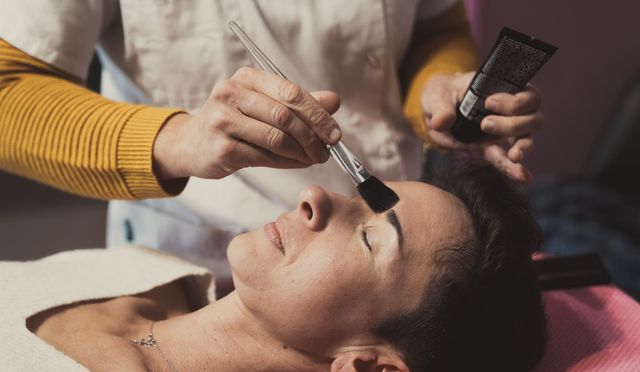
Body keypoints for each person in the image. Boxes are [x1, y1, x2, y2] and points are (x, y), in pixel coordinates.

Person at [0, 160, 546, 372]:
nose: (313, 196)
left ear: (368, 370)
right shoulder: (147, 270)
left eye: (368, 236)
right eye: (361, 197)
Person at [0, 1, 544, 291]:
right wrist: (178, 138)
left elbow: (431, 23)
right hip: (191, 253)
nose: (314, 200)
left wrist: (438, 89)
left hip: (377, 271)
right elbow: (8, 91)